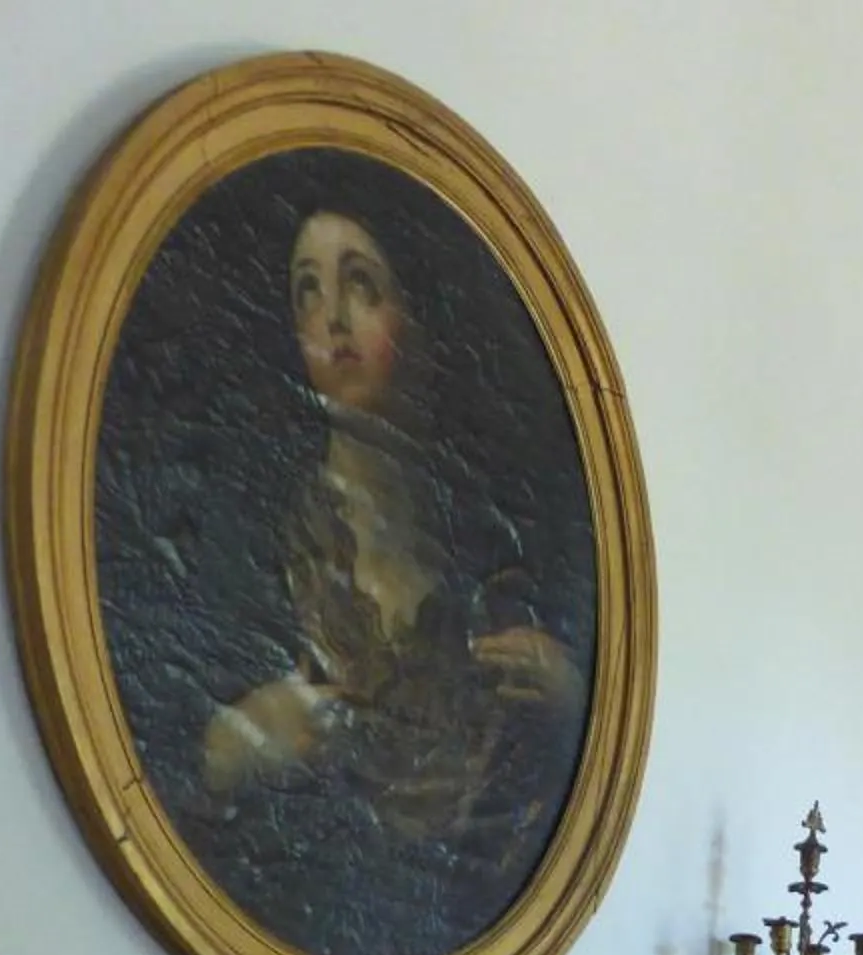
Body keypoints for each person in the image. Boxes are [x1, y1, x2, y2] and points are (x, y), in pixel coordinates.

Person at [202, 204, 586, 870]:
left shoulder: (492, 539)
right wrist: (243, 738)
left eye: (362, 286)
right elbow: (195, 759)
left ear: (422, 322)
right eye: (308, 292)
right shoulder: (257, 534)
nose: (334, 319)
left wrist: (568, 693)